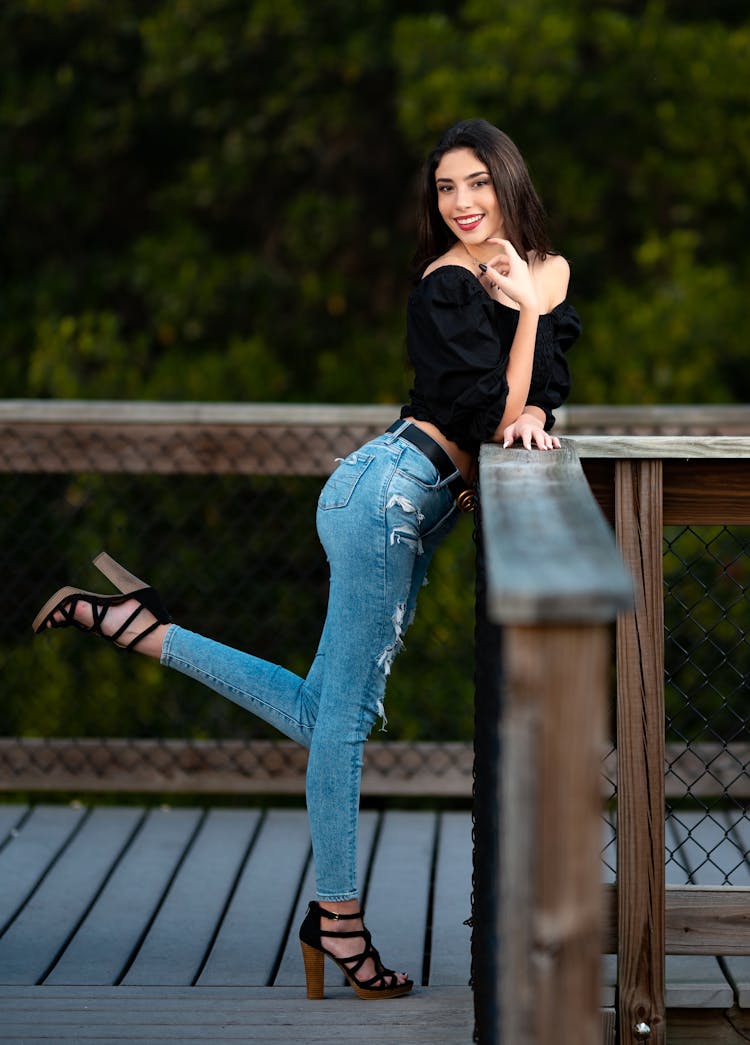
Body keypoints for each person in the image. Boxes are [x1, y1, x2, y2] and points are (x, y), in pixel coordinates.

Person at [33, 118, 580, 1001]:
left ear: (508, 180)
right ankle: (338, 915)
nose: (461, 203)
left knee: (325, 712)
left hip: (411, 503)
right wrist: (522, 322)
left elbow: (540, 399)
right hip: (384, 494)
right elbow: (494, 411)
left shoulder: (544, 271)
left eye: (475, 182)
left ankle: (140, 626)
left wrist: (535, 374)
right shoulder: (446, 287)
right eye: (444, 189)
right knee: (345, 723)